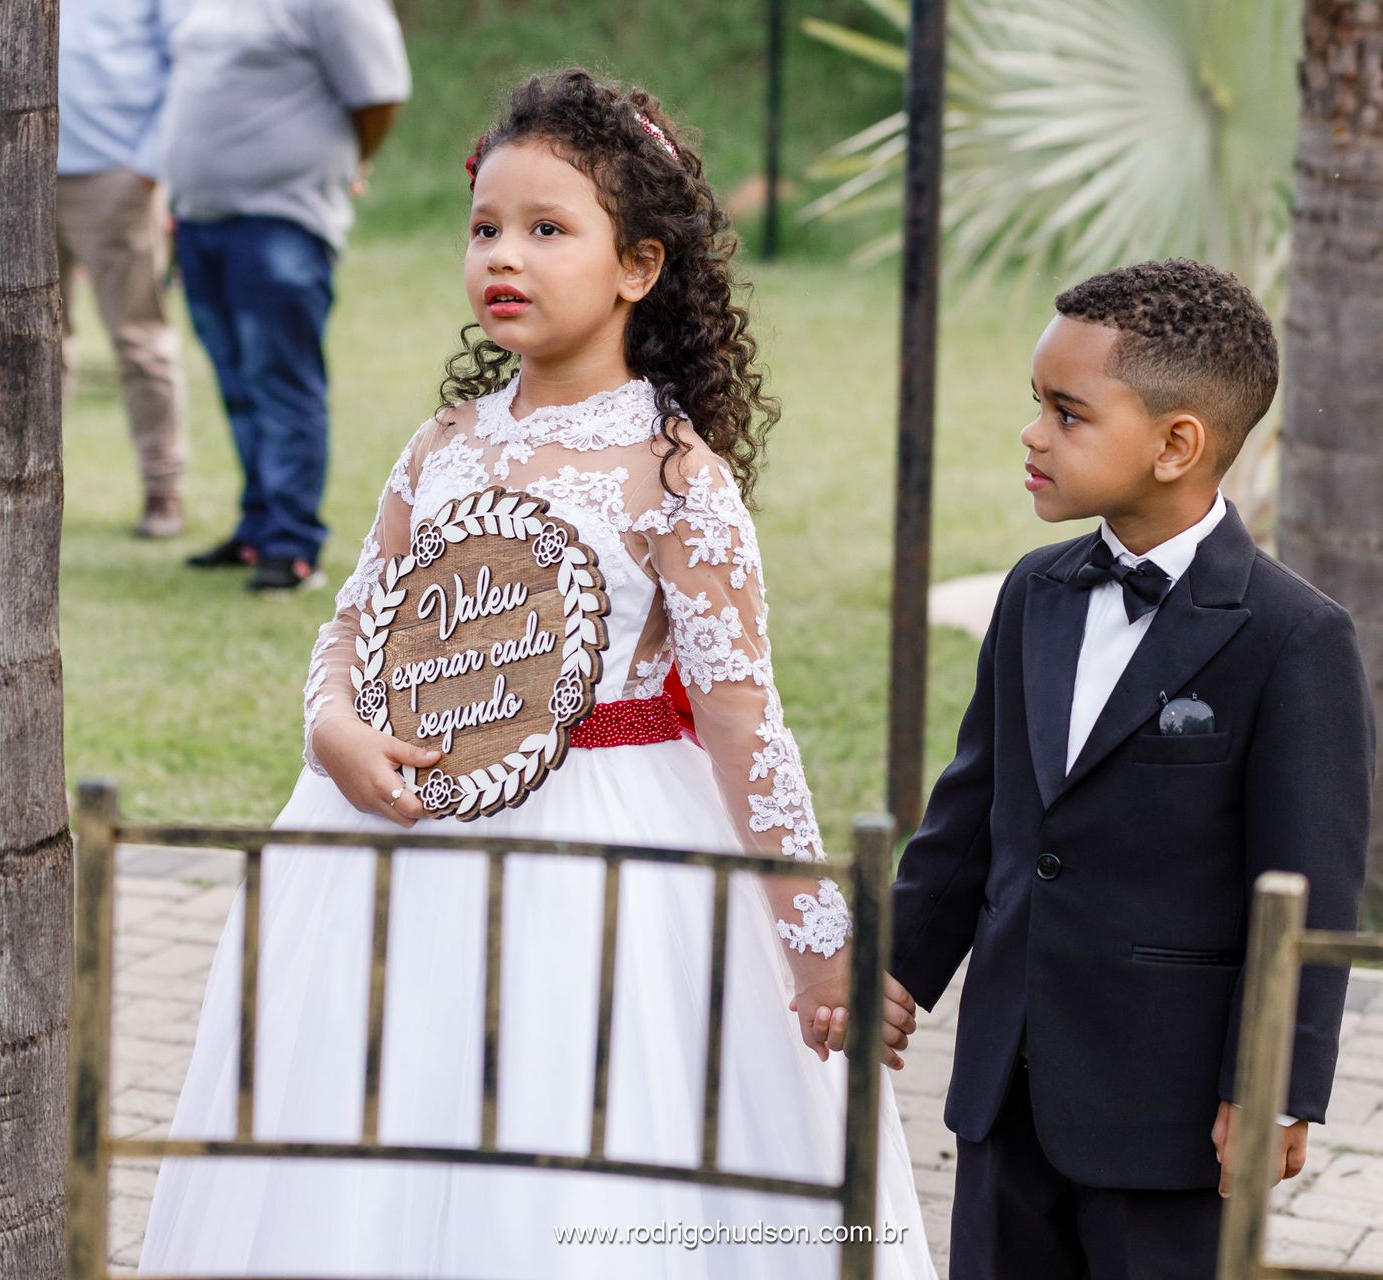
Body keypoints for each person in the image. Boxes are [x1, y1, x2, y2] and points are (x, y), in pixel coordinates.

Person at [138, 70, 936, 1277]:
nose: (503, 254)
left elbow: (743, 719)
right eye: (485, 227)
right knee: (395, 1116)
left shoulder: (675, 477)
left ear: (639, 268)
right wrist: (336, 728)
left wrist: (816, 931)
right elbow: (356, 619)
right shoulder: (446, 445)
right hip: (403, 832)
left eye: (547, 228)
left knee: (566, 1126)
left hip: (605, 847)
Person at [887, 260, 1374, 1279]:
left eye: (1067, 413)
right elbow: (973, 810)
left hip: (1169, 1111)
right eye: (1038, 406)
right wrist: (898, 966)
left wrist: (1275, 1078)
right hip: (1005, 1082)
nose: (1032, 434)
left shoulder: (1293, 638)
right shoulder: (1035, 592)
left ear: (1177, 442)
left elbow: (1310, 883)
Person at [160, 0, 409, 591]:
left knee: (281, 383)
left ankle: (293, 546)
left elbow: (380, 94)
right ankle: (258, 528)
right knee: (238, 383)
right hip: (200, 222)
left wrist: (355, 157)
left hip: (280, 221)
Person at [56, 0, 190, 538]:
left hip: (116, 177)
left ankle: (163, 488)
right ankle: (29, 482)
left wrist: (147, 166)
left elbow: (187, 60)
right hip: (17, 164)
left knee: (139, 339)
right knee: (33, 343)